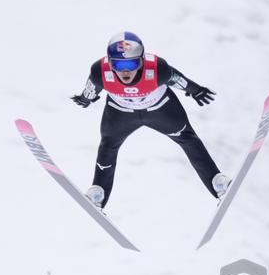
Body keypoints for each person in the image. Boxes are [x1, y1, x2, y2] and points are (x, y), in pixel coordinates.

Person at [71, 31, 229, 210]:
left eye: (131, 63)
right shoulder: (99, 71)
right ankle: (98, 193)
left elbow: (176, 79)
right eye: (118, 64)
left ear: (141, 60)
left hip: (161, 110)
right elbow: (91, 87)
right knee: (108, 145)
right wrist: (85, 99)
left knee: (188, 139)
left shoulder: (156, 68)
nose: (125, 71)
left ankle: (218, 183)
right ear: (109, 62)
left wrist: (195, 90)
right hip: (121, 114)